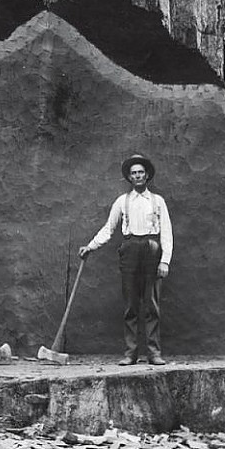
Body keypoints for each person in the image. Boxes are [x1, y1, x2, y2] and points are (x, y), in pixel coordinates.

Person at [78, 154, 173, 366]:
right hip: (129, 251)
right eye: (133, 173)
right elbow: (109, 229)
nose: (137, 176)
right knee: (130, 305)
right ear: (129, 178)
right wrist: (90, 246)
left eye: (141, 172)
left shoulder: (158, 201)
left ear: (147, 175)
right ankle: (130, 353)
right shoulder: (123, 201)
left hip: (151, 249)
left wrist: (164, 261)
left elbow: (166, 232)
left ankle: (153, 353)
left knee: (151, 305)